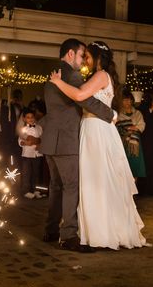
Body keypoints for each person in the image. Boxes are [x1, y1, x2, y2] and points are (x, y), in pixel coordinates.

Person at [49, 40, 146, 250]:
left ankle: (102, 231)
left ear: (98, 58)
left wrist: (58, 82)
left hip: (96, 130)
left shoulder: (100, 76)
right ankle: (92, 229)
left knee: (97, 180)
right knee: (93, 180)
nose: (86, 60)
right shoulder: (97, 76)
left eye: (88, 56)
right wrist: (111, 114)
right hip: (92, 129)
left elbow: (81, 96)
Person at [40, 38, 116, 252]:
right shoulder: (71, 76)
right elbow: (86, 100)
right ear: (71, 54)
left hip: (50, 141)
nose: (83, 60)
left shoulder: (52, 75)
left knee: (55, 187)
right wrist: (111, 114)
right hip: (66, 141)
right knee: (71, 187)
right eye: (82, 55)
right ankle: (68, 236)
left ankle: (51, 229)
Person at [116, 91, 146, 180]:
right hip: (122, 143)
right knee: (123, 167)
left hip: (135, 145)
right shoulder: (118, 114)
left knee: (134, 167)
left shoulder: (138, 113)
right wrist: (128, 129)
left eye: (129, 100)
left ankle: (132, 192)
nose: (127, 102)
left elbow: (142, 125)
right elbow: (116, 126)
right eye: (124, 100)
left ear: (132, 101)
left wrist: (132, 128)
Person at [18, 109, 44, 199]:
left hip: (37, 154)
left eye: (32, 117)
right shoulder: (23, 129)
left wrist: (39, 144)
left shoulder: (39, 128)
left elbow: (42, 138)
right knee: (27, 173)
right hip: (27, 154)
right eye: (28, 117)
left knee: (36, 173)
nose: (30, 119)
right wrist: (25, 143)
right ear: (24, 119)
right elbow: (20, 141)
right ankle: (26, 191)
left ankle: (35, 190)